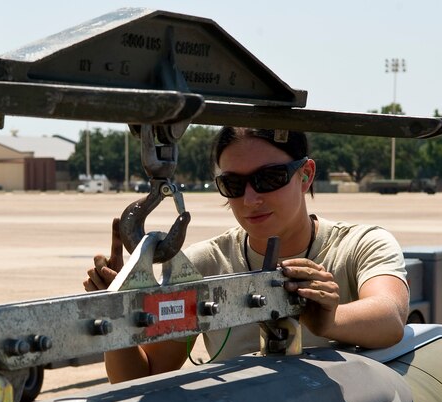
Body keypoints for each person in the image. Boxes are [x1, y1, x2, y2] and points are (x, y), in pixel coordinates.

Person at [84, 127, 409, 384]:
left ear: (306, 175)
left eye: (269, 178)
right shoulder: (201, 267)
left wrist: (331, 320)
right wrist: (116, 316)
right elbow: (146, 376)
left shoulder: (360, 245)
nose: (251, 198)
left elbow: (390, 317)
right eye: (233, 184)